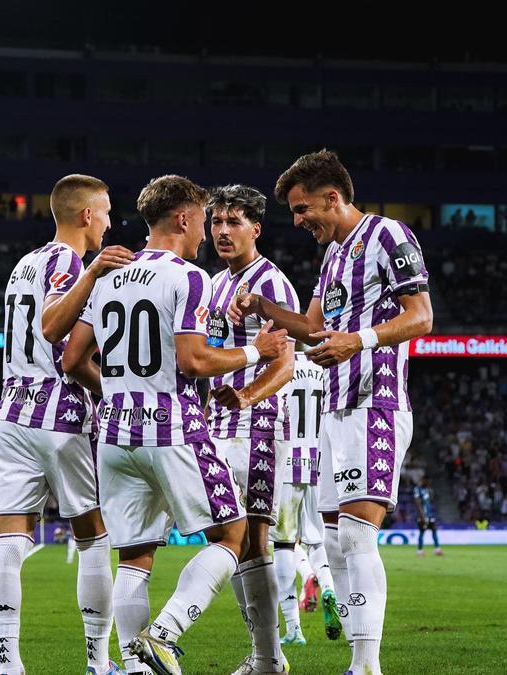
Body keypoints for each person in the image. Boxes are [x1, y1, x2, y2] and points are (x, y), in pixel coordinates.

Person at [62, 174, 287, 675]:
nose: (207, 231)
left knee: (134, 558)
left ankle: (135, 668)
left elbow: (74, 359)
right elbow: (193, 360)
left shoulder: (109, 274)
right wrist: (257, 349)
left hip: (114, 436)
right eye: (206, 219)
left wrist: (120, 393)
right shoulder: (189, 277)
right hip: (173, 429)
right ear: (185, 218)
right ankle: (164, 635)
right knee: (232, 535)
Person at [229, 150, 434, 674]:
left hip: (377, 399)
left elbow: (422, 317)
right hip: (334, 407)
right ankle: (357, 658)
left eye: (302, 210)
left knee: (358, 533)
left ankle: (367, 665)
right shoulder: (334, 257)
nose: (298, 222)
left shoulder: (389, 236)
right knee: (334, 539)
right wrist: (262, 308)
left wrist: (358, 341)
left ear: (332, 197)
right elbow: (314, 330)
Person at [0, 174, 133, 675]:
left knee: (10, 539)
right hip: (59, 413)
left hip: (10, 415)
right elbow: (58, 337)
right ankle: (98, 661)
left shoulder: (22, 264)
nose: (111, 221)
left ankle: (9, 665)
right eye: (107, 211)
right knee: (93, 537)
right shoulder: (71, 263)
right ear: (86, 214)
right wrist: (93, 276)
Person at [202, 184, 298, 674]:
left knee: (253, 536)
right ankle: (267, 656)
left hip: (258, 421)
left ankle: (268, 660)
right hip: (218, 422)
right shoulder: (217, 285)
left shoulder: (271, 284)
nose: (222, 231)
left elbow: (286, 363)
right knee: (224, 536)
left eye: (233, 222)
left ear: (255, 228)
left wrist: (246, 395)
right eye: (216, 221)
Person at [270, 349, 334, 648]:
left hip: (285, 461)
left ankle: (294, 628)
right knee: (317, 541)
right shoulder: (324, 366)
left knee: (283, 544)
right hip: (317, 463)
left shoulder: (280, 361)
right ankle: (330, 588)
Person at [412, 477, 442, 558]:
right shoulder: (417, 489)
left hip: (430, 515)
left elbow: (429, 501)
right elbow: (417, 503)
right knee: (422, 532)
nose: (428, 483)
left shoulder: (427, 490)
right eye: (427, 481)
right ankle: (419, 551)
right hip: (422, 516)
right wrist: (423, 517)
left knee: (434, 530)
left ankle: (437, 549)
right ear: (423, 481)